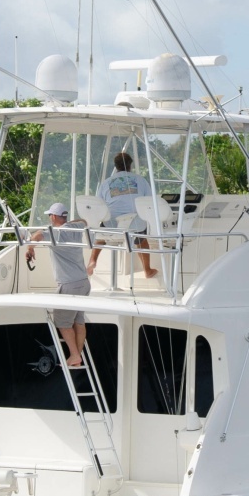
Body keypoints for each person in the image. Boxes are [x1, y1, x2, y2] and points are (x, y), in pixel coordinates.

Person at [25, 201, 91, 366]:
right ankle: (78, 355)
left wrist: (30, 248)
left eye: (50, 215)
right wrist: (71, 221)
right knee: (79, 321)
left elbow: (38, 235)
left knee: (62, 321)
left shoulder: (55, 232)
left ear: (53, 216)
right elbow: (84, 221)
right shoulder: (75, 228)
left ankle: (75, 355)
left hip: (69, 285)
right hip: (83, 283)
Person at [85, 151, 158, 279]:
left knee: (101, 234)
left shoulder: (106, 183)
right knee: (142, 240)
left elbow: (99, 204)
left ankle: (93, 260)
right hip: (134, 224)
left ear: (116, 166)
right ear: (130, 165)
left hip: (112, 224)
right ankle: (147, 269)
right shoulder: (141, 180)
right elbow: (149, 202)